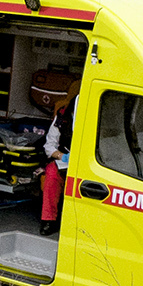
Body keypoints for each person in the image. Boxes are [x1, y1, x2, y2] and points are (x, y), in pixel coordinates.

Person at [41, 79, 80, 235]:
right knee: (51, 174)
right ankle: (48, 221)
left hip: (87, 164)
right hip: (64, 161)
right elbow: (49, 146)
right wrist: (63, 157)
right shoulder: (62, 116)